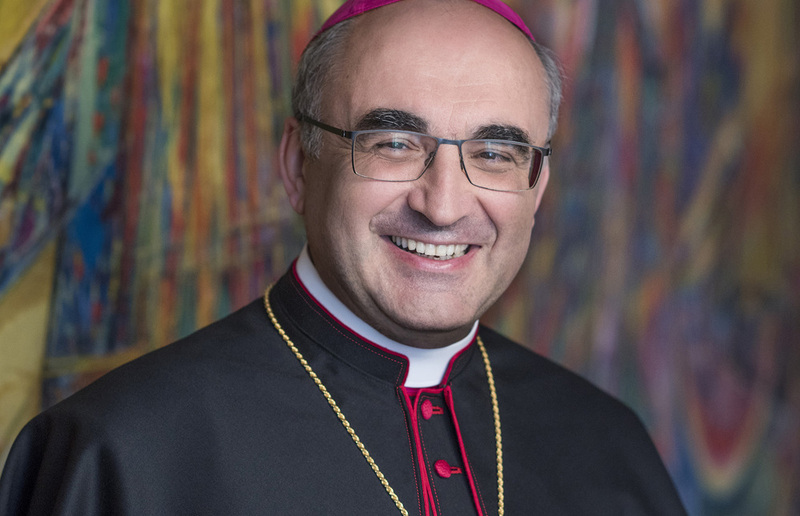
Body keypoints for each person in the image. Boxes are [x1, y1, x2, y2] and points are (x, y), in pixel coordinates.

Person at [0, 0, 687, 514]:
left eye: (494, 154)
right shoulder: (118, 452)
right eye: (394, 144)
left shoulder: (608, 446)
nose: (443, 206)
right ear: (299, 165)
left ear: (537, 186)